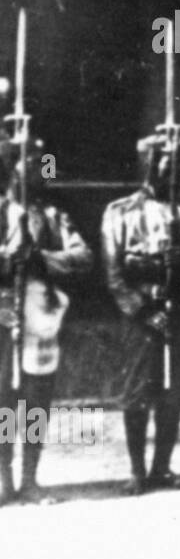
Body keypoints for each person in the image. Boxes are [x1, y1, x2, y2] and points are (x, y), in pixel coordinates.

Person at [102, 133, 180, 495]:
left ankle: (162, 466)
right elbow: (113, 274)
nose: (178, 170)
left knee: (174, 392)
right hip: (141, 314)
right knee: (137, 392)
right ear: (151, 165)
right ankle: (137, 470)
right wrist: (141, 310)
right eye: (170, 162)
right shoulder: (121, 211)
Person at [0, 142, 93, 506]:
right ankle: (5, 479)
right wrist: (10, 261)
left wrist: (41, 259)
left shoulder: (52, 215)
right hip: (3, 318)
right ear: (12, 167)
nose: (41, 169)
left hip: (41, 317)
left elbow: (82, 256)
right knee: (3, 402)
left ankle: (31, 478)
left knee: (37, 401)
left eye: (44, 163)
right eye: (33, 163)